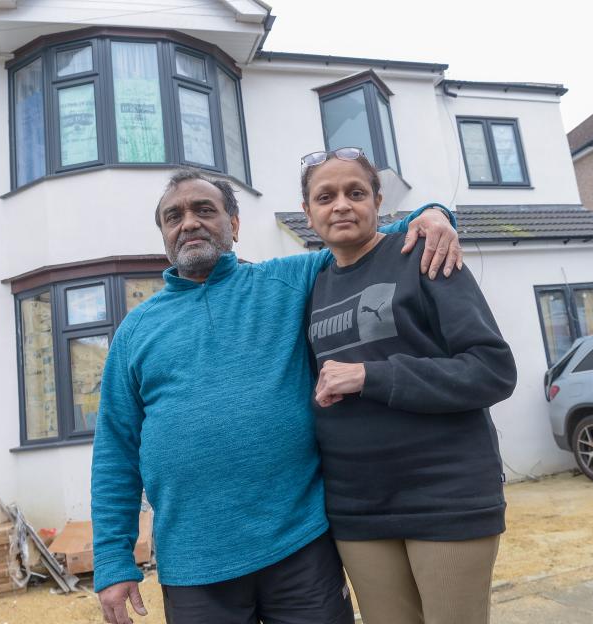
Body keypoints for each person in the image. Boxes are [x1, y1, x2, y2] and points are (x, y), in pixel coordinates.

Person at [91, 167, 462, 624]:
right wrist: (112, 561)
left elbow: (367, 239)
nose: (188, 222)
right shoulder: (135, 330)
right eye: (173, 216)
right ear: (164, 234)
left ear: (235, 224)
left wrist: (432, 213)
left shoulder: (290, 280)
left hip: (299, 546)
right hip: (194, 564)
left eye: (204, 210)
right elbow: (115, 450)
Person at [300, 147, 517, 624]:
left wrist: (371, 376)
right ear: (308, 212)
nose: (341, 205)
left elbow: (492, 369)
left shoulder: (422, 254)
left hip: (445, 493)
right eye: (326, 196)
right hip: (357, 506)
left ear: (378, 202)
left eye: (356, 193)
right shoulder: (310, 284)